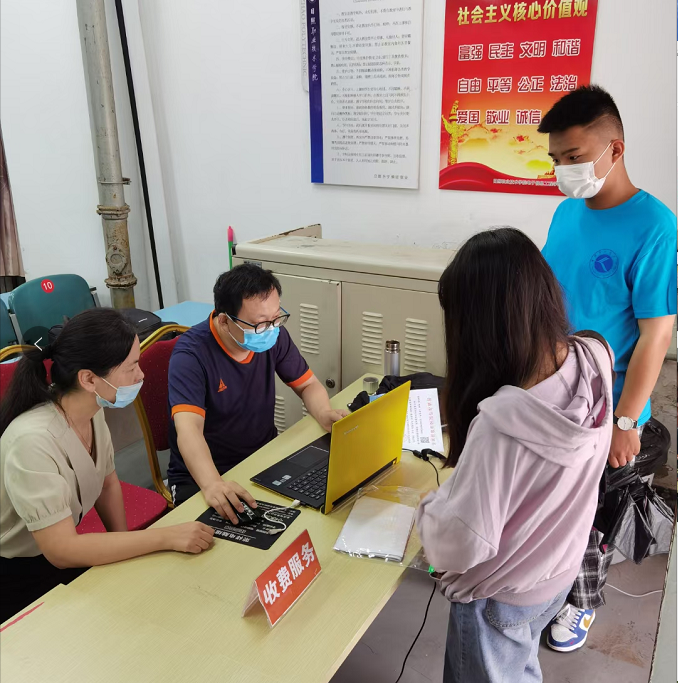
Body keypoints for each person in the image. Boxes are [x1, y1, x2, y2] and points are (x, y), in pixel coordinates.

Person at [416, 228, 614, 683]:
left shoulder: (501, 422)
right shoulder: (593, 357)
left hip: (499, 595)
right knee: (519, 666)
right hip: (557, 569)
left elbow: (462, 543)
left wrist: (425, 512)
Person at [538, 85, 676, 652]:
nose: (563, 171)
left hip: (606, 404)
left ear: (614, 150)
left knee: (593, 512)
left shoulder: (655, 226)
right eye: (555, 160)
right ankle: (546, 582)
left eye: (573, 157)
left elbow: (656, 334)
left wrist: (626, 421)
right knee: (550, 504)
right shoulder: (566, 213)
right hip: (552, 390)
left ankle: (581, 603)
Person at [0, 308, 214, 624]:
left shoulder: (91, 410)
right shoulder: (32, 441)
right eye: (131, 367)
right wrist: (165, 537)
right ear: (88, 379)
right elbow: (62, 550)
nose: (141, 375)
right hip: (19, 573)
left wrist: (125, 546)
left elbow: (107, 482)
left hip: (57, 549)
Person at [167, 264, 347, 522]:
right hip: (204, 475)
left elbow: (308, 385)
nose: (271, 328)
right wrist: (213, 483)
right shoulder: (191, 356)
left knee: (314, 513)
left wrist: (323, 413)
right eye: (260, 323)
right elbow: (189, 430)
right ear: (225, 321)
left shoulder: (273, 333)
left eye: (276, 317)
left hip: (262, 458)